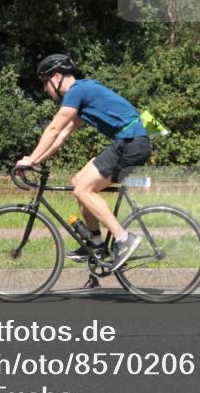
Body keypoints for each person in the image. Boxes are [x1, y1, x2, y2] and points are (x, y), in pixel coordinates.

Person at [16, 54, 152, 269]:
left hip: (130, 142)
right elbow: (60, 137)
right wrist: (34, 161)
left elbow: (53, 128)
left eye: (45, 82)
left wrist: (30, 159)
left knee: (83, 191)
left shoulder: (77, 91)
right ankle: (96, 244)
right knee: (78, 182)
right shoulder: (82, 94)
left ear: (57, 77)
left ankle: (124, 238)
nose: (45, 89)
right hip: (129, 141)